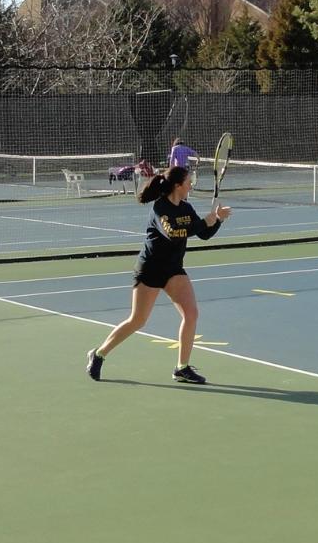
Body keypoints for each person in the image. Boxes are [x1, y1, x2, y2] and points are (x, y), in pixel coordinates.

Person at [86, 162, 232, 385]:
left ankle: (182, 368)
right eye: (188, 181)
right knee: (138, 320)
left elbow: (203, 234)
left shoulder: (186, 208)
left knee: (191, 314)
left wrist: (217, 220)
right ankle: (99, 354)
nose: (191, 185)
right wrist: (205, 221)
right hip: (150, 269)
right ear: (177, 185)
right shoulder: (160, 208)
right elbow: (173, 233)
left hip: (173, 270)